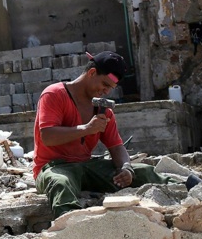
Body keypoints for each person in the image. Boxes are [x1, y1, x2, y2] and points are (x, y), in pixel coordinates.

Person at [32, 51, 174, 218]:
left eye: (110, 88)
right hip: (53, 167)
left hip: (86, 167)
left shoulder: (102, 109)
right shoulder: (55, 94)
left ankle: (190, 188)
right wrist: (86, 129)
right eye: (105, 85)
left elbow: (116, 146)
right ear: (92, 73)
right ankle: (72, 231)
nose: (106, 91)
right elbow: (47, 136)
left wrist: (126, 169)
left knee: (145, 171)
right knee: (61, 183)